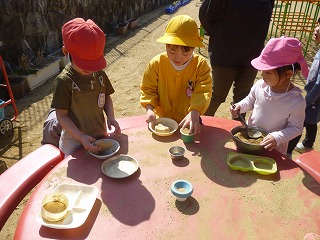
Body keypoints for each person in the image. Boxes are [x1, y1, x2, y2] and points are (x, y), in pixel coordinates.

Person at [51, 18, 121, 156]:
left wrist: (111, 117)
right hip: (74, 142)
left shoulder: (99, 74)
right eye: (84, 62)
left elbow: (106, 97)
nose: (90, 68)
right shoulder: (64, 82)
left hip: (100, 134)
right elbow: (62, 115)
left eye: (94, 62)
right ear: (66, 52)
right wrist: (81, 137)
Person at [230, 36, 309, 155]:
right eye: (262, 70)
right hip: (250, 139)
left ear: (288, 74)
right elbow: (250, 101)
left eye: (268, 72)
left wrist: (277, 137)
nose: (262, 75)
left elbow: (296, 128)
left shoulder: (296, 101)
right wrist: (240, 106)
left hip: (273, 148)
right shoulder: (260, 85)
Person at [199, 0, 275, 118]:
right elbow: (205, 17)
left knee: (243, 99)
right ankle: (201, 123)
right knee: (217, 95)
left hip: (252, 57)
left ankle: (236, 131)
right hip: (224, 56)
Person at [140, 15, 212, 134]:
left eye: (185, 53)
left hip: (189, 119)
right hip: (162, 120)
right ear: (166, 45)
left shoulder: (200, 65)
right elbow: (148, 89)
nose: (178, 57)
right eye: (172, 51)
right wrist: (149, 108)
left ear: (194, 47)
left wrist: (195, 111)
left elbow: (203, 91)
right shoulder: (156, 63)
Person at [287, 21, 320, 156]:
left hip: (314, 97)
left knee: (299, 123)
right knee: (311, 120)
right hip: (314, 96)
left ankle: (287, 150)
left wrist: (306, 101)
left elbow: (319, 86)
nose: (316, 29)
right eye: (318, 24)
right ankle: (308, 143)